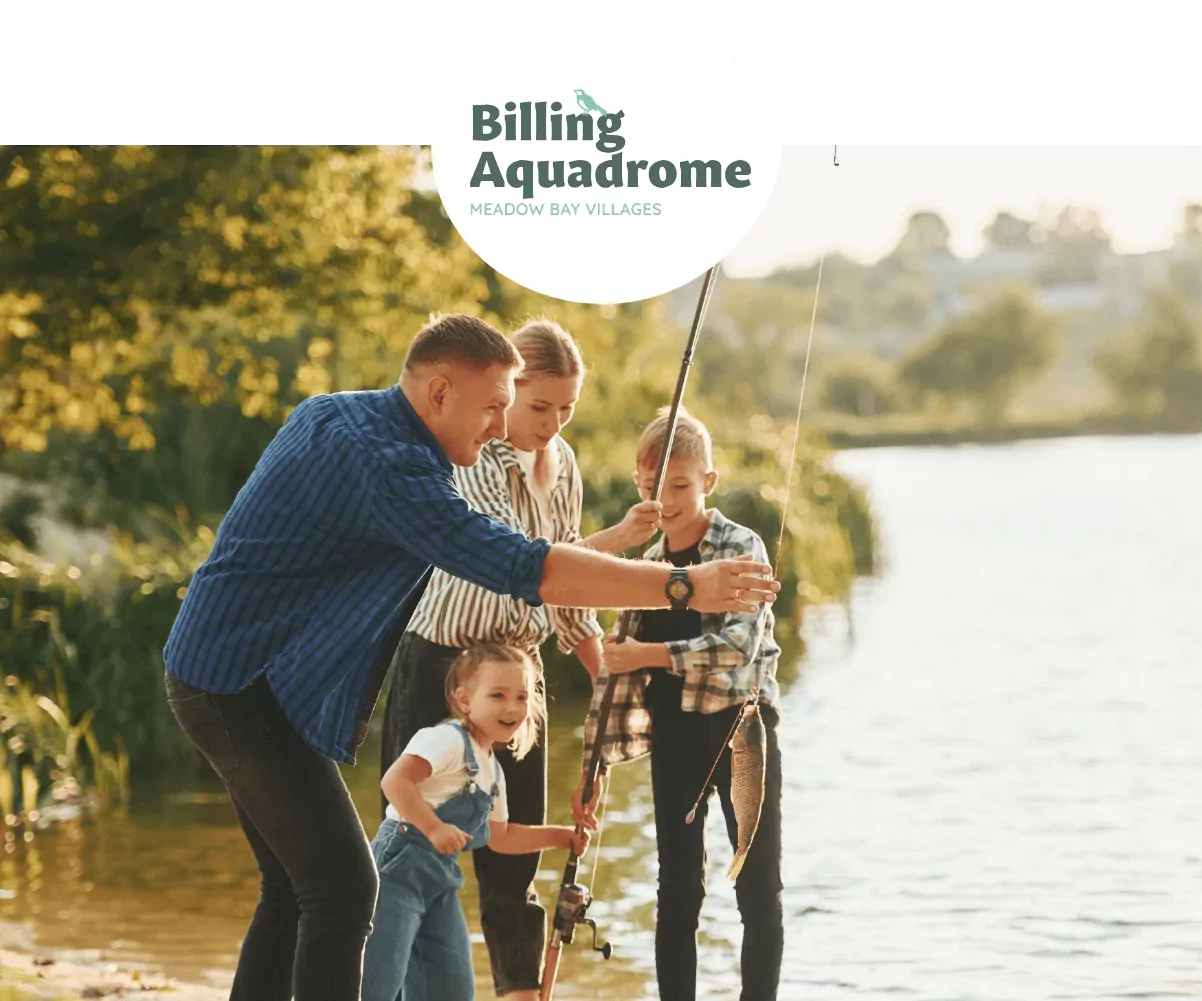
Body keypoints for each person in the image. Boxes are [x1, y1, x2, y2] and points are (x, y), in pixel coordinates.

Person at [160, 312, 779, 1001]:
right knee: (343, 889)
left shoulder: (344, 415)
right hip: (237, 683)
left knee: (294, 886)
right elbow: (525, 565)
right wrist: (682, 583)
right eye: (494, 408)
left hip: (248, 672)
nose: (498, 428)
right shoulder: (392, 471)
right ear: (438, 393)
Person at [379, 317, 659, 1001]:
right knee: (414, 853)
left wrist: (605, 676)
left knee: (514, 855)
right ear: (508, 390)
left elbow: (567, 596)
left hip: (517, 676)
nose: (553, 423)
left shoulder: (563, 467)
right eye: (539, 406)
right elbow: (513, 560)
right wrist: (613, 542)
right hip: (441, 664)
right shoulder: (471, 456)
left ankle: (519, 992)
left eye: (568, 409)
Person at [572, 405, 785, 1001]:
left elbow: (737, 647)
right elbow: (572, 602)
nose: (664, 500)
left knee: (758, 885)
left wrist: (643, 655)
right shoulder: (641, 568)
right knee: (677, 892)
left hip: (743, 731)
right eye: (650, 488)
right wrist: (593, 766)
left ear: (708, 483)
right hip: (676, 736)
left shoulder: (742, 545)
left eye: (679, 487)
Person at [363, 643, 590, 1001]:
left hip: (439, 883)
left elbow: (500, 837)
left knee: (452, 988)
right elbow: (395, 781)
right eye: (498, 695)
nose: (512, 707)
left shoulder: (492, 771)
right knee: (376, 982)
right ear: (465, 700)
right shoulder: (447, 739)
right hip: (397, 871)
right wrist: (434, 827)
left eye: (522, 696)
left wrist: (560, 837)